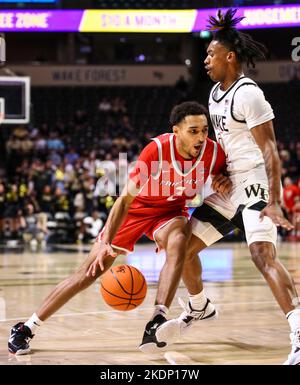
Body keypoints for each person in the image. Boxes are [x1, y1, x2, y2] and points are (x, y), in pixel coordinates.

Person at [8, 101, 231, 355]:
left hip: (170, 212)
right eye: (193, 131)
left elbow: (222, 175)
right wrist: (106, 243)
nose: (201, 137)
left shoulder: (214, 153)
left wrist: (221, 180)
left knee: (180, 240)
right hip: (135, 211)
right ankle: (27, 328)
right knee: (89, 272)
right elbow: (124, 200)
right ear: (176, 131)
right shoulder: (156, 151)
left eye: (204, 130)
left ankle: (157, 319)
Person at [155, 9, 300, 366]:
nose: (205, 60)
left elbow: (269, 149)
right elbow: (224, 146)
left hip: (254, 183)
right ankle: (200, 307)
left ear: (229, 57)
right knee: (183, 248)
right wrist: (219, 174)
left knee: (261, 255)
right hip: (230, 183)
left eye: (210, 54)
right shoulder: (216, 95)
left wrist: (275, 199)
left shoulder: (248, 93)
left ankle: (298, 331)